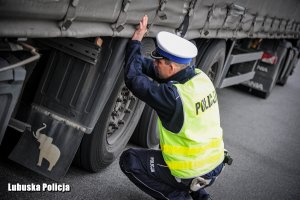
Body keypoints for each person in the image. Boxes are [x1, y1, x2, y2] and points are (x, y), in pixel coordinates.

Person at [119, 15, 227, 200]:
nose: (154, 63)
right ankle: (201, 195)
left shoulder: (173, 97)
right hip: (214, 162)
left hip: (191, 168)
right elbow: (150, 68)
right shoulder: (200, 77)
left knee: (130, 161)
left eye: (158, 62)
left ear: (171, 67)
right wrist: (137, 56)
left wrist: (136, 41)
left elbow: (134, 81)